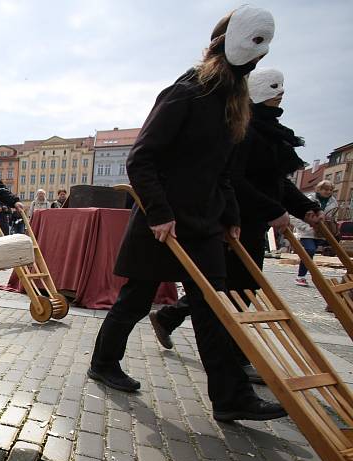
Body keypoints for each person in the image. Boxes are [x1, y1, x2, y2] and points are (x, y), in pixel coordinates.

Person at [88, 6, 287, 423]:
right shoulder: (186, 92)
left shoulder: (233, 103)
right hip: (163, 224)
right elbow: (142, 158)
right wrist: (160, 213)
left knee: (214, 308)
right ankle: (103, 363)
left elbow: (224, 171)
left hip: (204, 222)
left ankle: (230, 398)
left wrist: (230, 215)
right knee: (135, 301)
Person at [149, 67, 322, 383]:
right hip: (236, 220)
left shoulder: (269, 131)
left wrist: (305, 208)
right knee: (227, 290)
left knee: (235, 290)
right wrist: (270, 210)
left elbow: (277, 181)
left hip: (248, 220)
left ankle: (192, 331)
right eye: (273, 88)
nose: (280, 92)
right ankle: (233, 362)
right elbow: (233, 178)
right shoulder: (244, 128)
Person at [293, 180, 338, 286]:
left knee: (311, 254)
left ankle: (309, 275)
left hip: (322, 233)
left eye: (330, 190)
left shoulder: (333, 202)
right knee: (310, 250)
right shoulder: (309, 199)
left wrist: (331, 228)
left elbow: (333, 217)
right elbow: (295, 215)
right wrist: (306, 227)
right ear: (319, 189)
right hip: (307, 231)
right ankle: (301, 276)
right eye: (326, 189)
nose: (328, 192)